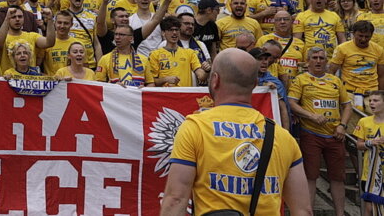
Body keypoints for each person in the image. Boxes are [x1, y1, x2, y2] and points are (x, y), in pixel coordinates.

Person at [160, 48, 310, 215]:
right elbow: (303, 210)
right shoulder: (282, 136)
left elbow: (175, 199)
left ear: (215, 80)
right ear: (254, 84)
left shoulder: (195, 127)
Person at [290, 46, 353, 215]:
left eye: (322, 58)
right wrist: (310, 115)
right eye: (315, 58)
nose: (318, 61)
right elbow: (292, 103)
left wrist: (343, 125)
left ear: (327, 61)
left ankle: (340, 213)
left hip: (335, 135)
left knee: (338, 177)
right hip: (311, 133)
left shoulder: (335, 80)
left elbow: (347, 105)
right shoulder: (300, 79)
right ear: (308, 60)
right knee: (310, 176)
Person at [353, 90, 384, 214]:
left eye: (376, 100)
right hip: (369, 173)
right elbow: (358, 145)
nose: (371, 103)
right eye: (370, 100)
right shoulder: (364, 121)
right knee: (369, 208)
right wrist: (370, 143)